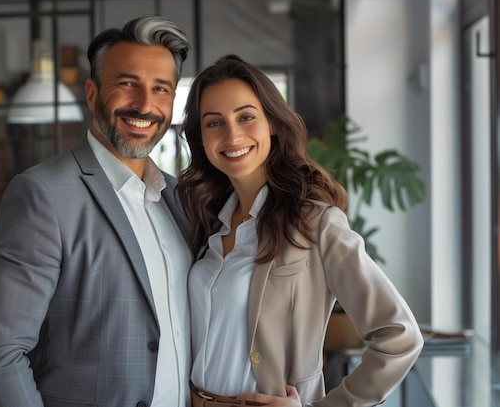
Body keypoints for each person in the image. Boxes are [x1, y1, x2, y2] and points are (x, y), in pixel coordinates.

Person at [0, 16, 194, 407]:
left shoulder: (180, 199)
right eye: (127, 84)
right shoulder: (44, 195)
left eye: (161, 89)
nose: (144, 104)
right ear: (92, 94)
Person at [176, 55, 424, 407]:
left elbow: (400, 336)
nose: (232, 135)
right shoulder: (204, 221)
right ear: (200, 137)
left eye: (246, 117)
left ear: (272, 124)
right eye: (214, 123)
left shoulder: (316, 224)